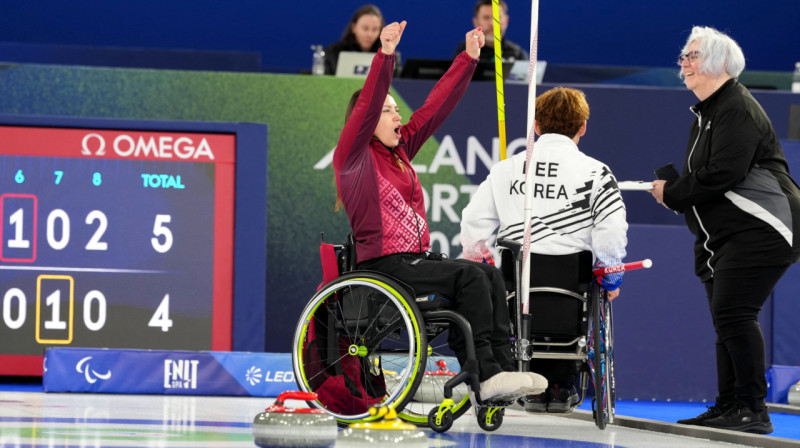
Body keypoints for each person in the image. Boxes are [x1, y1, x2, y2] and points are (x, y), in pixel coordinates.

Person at [333, 19, 547, 402]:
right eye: (388, 111)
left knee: (488, 274)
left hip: (413, 263)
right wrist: (385, 56)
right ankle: (483, 373)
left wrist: (467, 59)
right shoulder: (354, 158)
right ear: (365, 122)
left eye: (397, 109)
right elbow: (367, 104)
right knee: (470, 276)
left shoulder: (399, 154)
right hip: (383, 267)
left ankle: (498, 369)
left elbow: (435, 108)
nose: (398, 116)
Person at [651, 26, 800, 435]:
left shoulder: (736, 107)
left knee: (735, 313)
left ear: (720, 63)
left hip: (766, 227)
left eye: (693, 55)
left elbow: (723, 174)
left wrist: (674, 191)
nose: (684, 62)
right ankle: (731, 404)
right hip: (725, 236)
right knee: (727, 319)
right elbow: (710, 179)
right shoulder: (708, 113)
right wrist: (676, 191)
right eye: (683, 54)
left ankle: (753, 408)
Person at [460, 86, 628, 412]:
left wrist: (485, 266)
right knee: (593, 288)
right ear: (582, 127)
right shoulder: (597, 173)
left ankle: (525, 378)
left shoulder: (506, 169)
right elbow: (611, 234)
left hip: (515, 289)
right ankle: (563, 383)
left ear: (535, 126)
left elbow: (472, 225)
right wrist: (611, 279)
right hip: (573, 293)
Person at [452, 0, 527, 63]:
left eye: (497, 17)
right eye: (486, 18)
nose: (492, 23)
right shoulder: (465, 51)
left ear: (506, 20)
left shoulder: (517, 53)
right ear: (476, 22)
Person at [323, 4, 384, 75]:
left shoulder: (390, 56)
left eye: (375, 29)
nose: (370, 34)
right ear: (354, 27)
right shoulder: (333, 53)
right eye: (365, 28)